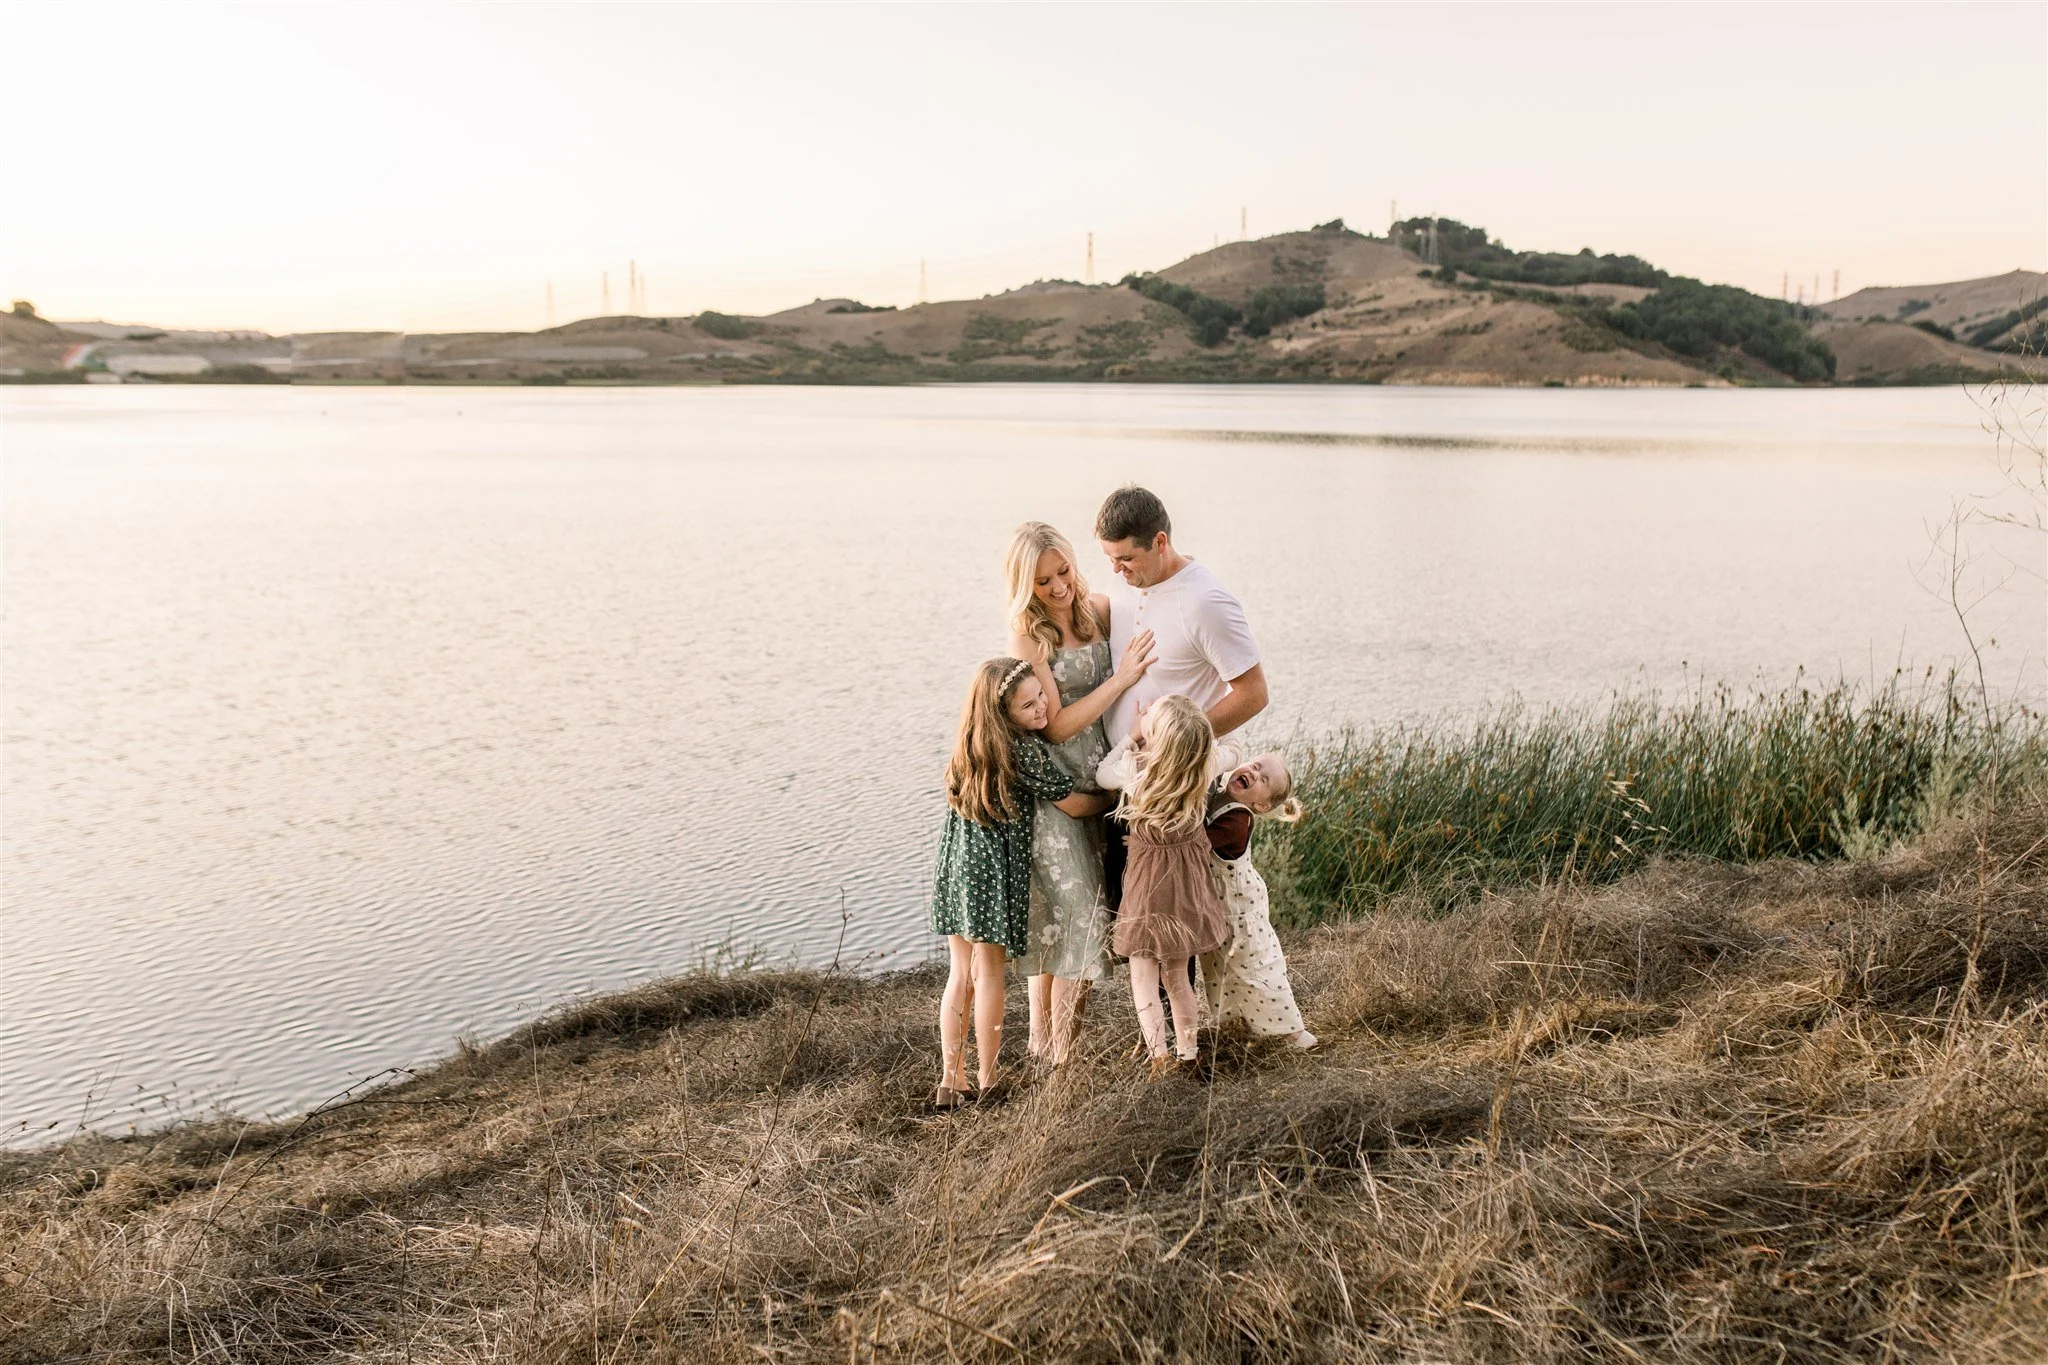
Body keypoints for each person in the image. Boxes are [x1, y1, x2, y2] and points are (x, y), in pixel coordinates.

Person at [1001, 522, 1155, 1065]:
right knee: (1081, 920)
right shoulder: (1027, 636)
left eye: (1063, 571)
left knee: (1070, 920)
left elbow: (1153, 610)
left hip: (1106, 788)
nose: (1059, 587)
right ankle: (1061, 1056)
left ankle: (1043, 1047)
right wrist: (1120, 679)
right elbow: (1056, 727)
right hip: (1057, 796)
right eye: (1043, 581)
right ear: (1025, 585)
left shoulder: (1100, 610)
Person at [927, 657, 1107, 1107]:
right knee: (988, 976)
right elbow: (1071, 804)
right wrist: (1115, 796)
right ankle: (988, 1080)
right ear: (1003, 714)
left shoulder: (967, 748)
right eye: (1028, 706)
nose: (1042, 709)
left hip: (955, 873)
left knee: (960, 974)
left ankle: (951, 1079)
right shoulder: (1019, 750)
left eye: (1041, 696)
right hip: (990, 880)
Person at [1094, 485, 1267, 911]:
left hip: (1173, 791)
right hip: (1122, 776)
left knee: (1167, 925)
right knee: (1125, 926)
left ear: (1159, 542)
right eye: (1110, 559)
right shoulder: (1125, 585)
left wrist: (1176, 745)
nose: (1117, 570)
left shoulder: (1206, 601)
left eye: (1126, 559)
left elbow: (1253, 693)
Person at [1109, 695, 1231, 1073]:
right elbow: (1235, 751)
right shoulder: (1202, 771)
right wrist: (1203, 747)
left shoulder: (1135, 771)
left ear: (1156, 738)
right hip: (1185, 888)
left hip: (1147, 888)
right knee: (1178, 976)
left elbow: (1102, 772)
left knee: (1143, 974)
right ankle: (1189, 1055)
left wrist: (1131, 737)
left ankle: (1159, 1056)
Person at [1200, 751, 1317, 1050]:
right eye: (1255, 765)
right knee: (1222, 969)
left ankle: (1295, 1033)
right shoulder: (1218, 790)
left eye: (1263, 779)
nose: (1253, 773)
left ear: (1262, 805)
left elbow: (1197, 842)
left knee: (1255, 970)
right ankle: (1248, 1026)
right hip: (1221, 908)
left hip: (1240, 909)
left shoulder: (1237, 819)